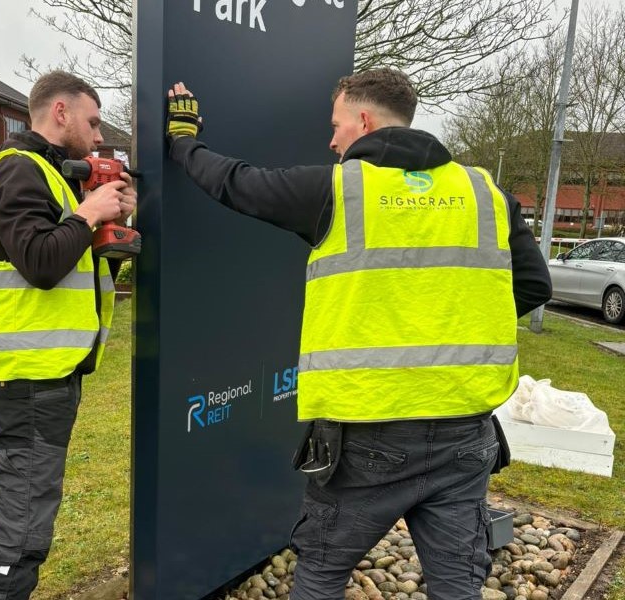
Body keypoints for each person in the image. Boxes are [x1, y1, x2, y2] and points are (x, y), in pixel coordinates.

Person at [165, 70, 551, 600]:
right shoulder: (485, 192)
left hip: (367, 436)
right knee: (457, 585)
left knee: (322, 573)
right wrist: (447, 318)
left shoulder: (338, 189)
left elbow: (237, 183)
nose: (331, 139)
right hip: (464, 432)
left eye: (336, 125)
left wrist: (184, 142)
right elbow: (533, 285)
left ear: (363, 121)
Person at [0, 70, 136, 600]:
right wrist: (88, 215)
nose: (100, 136)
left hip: (50, 374)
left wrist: (112, 231)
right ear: (60, 112)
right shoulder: (18, 170)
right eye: (93, 121)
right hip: (29, 380)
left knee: (29, 515)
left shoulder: (53, 177)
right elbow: (39, 263)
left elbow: (72, 266)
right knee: (19, 529)